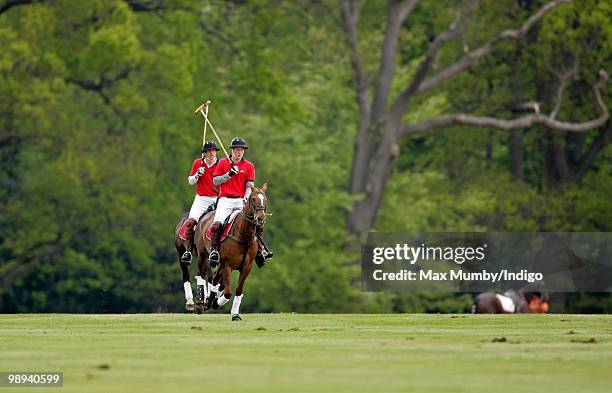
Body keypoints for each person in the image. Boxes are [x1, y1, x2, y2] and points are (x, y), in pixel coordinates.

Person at [209, 137, 273, 267]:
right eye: (237, 149)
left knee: (257, 224)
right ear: (232, 150)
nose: (239, 152)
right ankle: (214, 251)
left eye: (242, 150)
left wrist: (246, 198)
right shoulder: (222, 163)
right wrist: (229, 175)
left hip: (241, 200)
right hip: (225, 200)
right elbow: (215, 181)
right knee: (216, 225)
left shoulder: (248, 166)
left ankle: (260, 252)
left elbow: (250, 185)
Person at [178, 141, 219, 262]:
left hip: (217, 198)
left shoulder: (221, 164)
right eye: (209, 151)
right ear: (205, 153)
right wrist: (197, 174)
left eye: (214, 151)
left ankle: (215, 250)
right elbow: (190, 181)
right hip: (201, 199)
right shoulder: (198, 163)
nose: (212, 153)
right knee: (190, 223)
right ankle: (189, 251)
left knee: (220, 224)